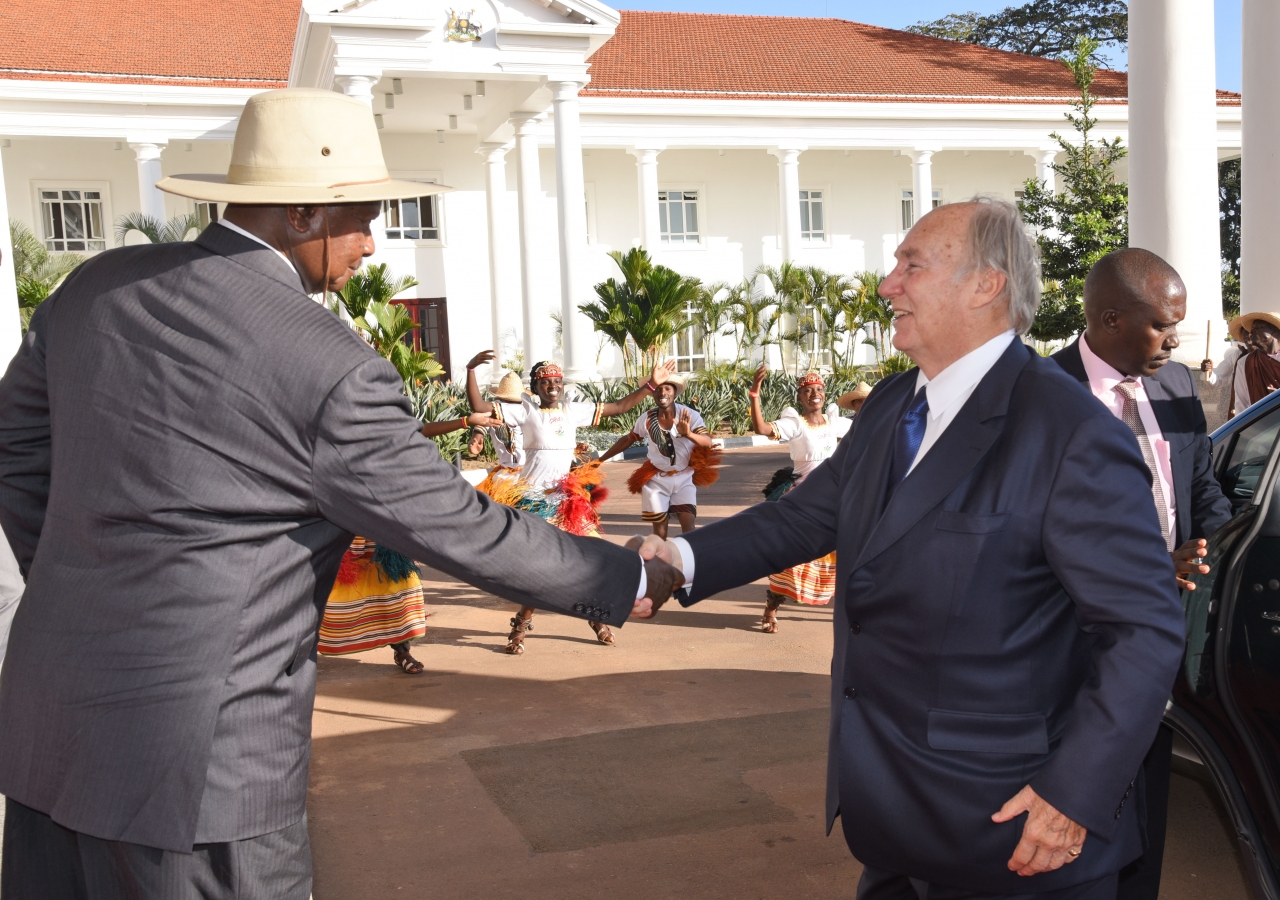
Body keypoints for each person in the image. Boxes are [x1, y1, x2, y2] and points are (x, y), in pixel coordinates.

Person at [0, 88, 681, 898]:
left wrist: (95, 584)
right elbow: (456, 526)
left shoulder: (94, 289)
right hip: (202, 776)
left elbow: (17, 457)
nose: (372, 239)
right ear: (299, 215)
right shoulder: (330, 366)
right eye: (362, 214)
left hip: (49, 736)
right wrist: (627, 577)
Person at [635, 198, 1184, 899]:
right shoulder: (895, 405)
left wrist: (1075, 794)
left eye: (911, 265)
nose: (888, 284)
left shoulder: (1068, 430)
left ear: (986, 284)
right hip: (895, 819)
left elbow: (1142, 631)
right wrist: (675, 563)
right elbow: (801, 521)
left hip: (1016, 836)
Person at [1051, 248, 1233, 900]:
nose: (1176, 339)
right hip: (1076, 651)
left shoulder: (1177, 385)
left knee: (1147, 807)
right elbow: (1028, 540)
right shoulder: (1040, 398)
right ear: (1109, 319)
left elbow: (1201, 487)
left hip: (1162, 641)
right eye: (1161, 325)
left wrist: (1219, 543)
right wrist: (1154, 567)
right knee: (1086, 810)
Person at [467, 354, 676, 653]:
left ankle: (595, 617)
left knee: (590, 561)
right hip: (535, 502)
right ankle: (520, 628)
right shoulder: (524, 410)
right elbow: (479, 406)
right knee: (541, 570)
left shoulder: (571, 410)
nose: (553, 386)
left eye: (557, 382)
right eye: (545, 382)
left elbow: (618, 407)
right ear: (535, 386)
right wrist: (471, 369)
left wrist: (650, 385)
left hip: (570, 500)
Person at [319, 412, 503, 676]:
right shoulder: (327, 437)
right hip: (341, 522)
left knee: (396, 589)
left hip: (381, 524)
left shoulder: (379, 430)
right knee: (327, 595)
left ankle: (402, 650)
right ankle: (300, 657)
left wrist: (467, 422)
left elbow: (420, 430)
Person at [747, 365, 851, 631]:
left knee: (846, 555)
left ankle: (851, 613)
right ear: (800, 397)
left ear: (824, 394)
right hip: (803, 500)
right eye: (807, 391)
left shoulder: (835, 422)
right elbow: (761, 428)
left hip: (834, 500)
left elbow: (870, 430)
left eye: (818, 389)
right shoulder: (794, 424)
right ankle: (771, 607)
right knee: (792, 560)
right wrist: (755, 395)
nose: (813, 394)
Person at [598, 375, 720, 538]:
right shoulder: (647, 418)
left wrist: (689, 434)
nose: (663, 392)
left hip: (684, 477)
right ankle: (660, 561)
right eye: (658, 389)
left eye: (668, 388)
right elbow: (629, 439)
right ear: (652, 393)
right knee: (660, 533)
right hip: (656, 480)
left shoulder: (690, 415)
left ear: (675, 392)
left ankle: (691, 561)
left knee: (689, 529)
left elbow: (707, 442)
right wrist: (599, 460)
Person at [463, 351, 527, 487]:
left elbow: (478, 406)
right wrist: (478, 435)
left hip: (520, 477)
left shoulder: (523, 410)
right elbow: (483, 419)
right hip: (511, 477)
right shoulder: (499, 410)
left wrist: (470, 369)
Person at [1222, 312, 1280, 414]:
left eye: (1258, 327)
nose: (1251, 332)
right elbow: (1241, 403)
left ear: (1274, 331)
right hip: (1263, 423)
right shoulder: (1244, 363)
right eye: (1251, 329)